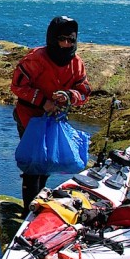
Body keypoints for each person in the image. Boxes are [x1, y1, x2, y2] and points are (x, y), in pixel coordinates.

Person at [11, 16, 91, 213]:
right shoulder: (35, 59)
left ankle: (37, 203)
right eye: (62, 39)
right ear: (52, 38)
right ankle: (28, 212)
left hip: (54, 120)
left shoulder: (76, 63)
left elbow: (84, 91)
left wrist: (69, 96)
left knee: (47, 162)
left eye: (71, 40)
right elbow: (18, 86)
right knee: (33, 164)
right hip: (29, 117)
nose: (66, 44)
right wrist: (43, 101)